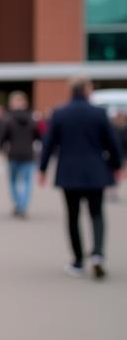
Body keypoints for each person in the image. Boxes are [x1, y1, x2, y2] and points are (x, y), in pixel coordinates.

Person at [38, 79, 123, 279]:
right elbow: (112, 143)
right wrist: (116, 165)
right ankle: (98, 254)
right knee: (96, 214)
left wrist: (42, 169)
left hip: (69, 172)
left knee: (73, 216)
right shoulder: (98, 113)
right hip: (95, 171)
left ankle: (77, 261)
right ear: (87, 90)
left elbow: (49, 143)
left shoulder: (60, 113)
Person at [0, 91, 40, 218]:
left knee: (13, 181)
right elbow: (38, 136)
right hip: (28, 153)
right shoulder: (32, 119)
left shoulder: (8, 119)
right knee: (26, 181)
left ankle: (18, 204)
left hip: (13, 153)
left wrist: (0, 146)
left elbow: (2, 137)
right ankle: (23, 205)